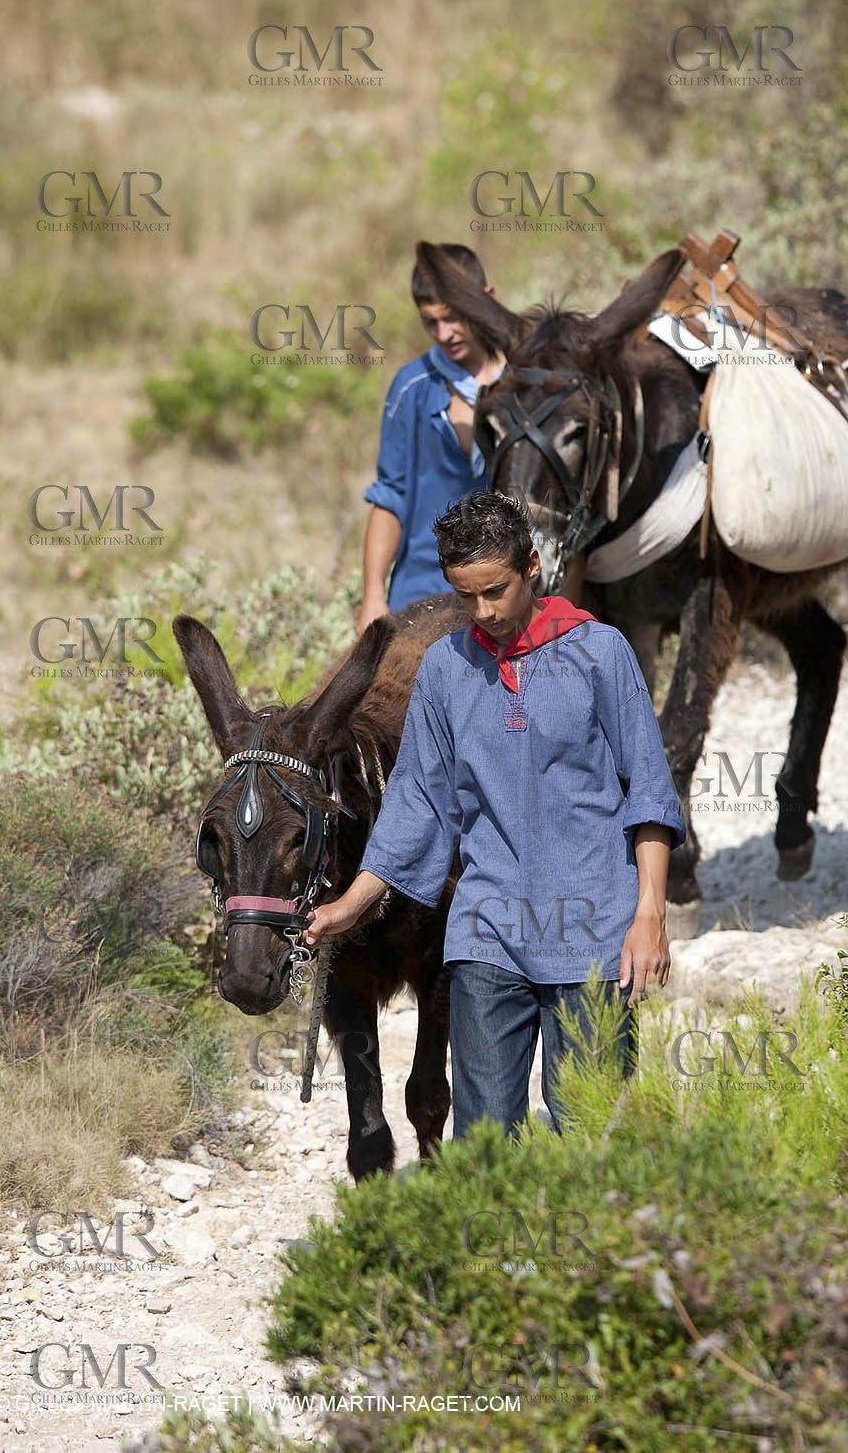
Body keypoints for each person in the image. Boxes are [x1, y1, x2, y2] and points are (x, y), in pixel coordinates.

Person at [304, 490, 686, 1139]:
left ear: (532, 566)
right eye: (465, 596)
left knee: (589, 1137)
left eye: (495, 591)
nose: (483, 612)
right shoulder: (445, 669)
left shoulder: (602, 654)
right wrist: (349, 907)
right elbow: (417, 803)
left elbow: (648, 792)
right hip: (487, 936)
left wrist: (649, 914)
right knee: (483, 1145)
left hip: (593, 936)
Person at [356, 245, 505, 633]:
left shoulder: (525, 380)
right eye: (430, 322)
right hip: (424, 592)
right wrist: (373, 595)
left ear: (487, 300)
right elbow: (391, 495)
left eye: (453, 317)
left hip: (506, 594)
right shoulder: (412, 387)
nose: (444, 334)